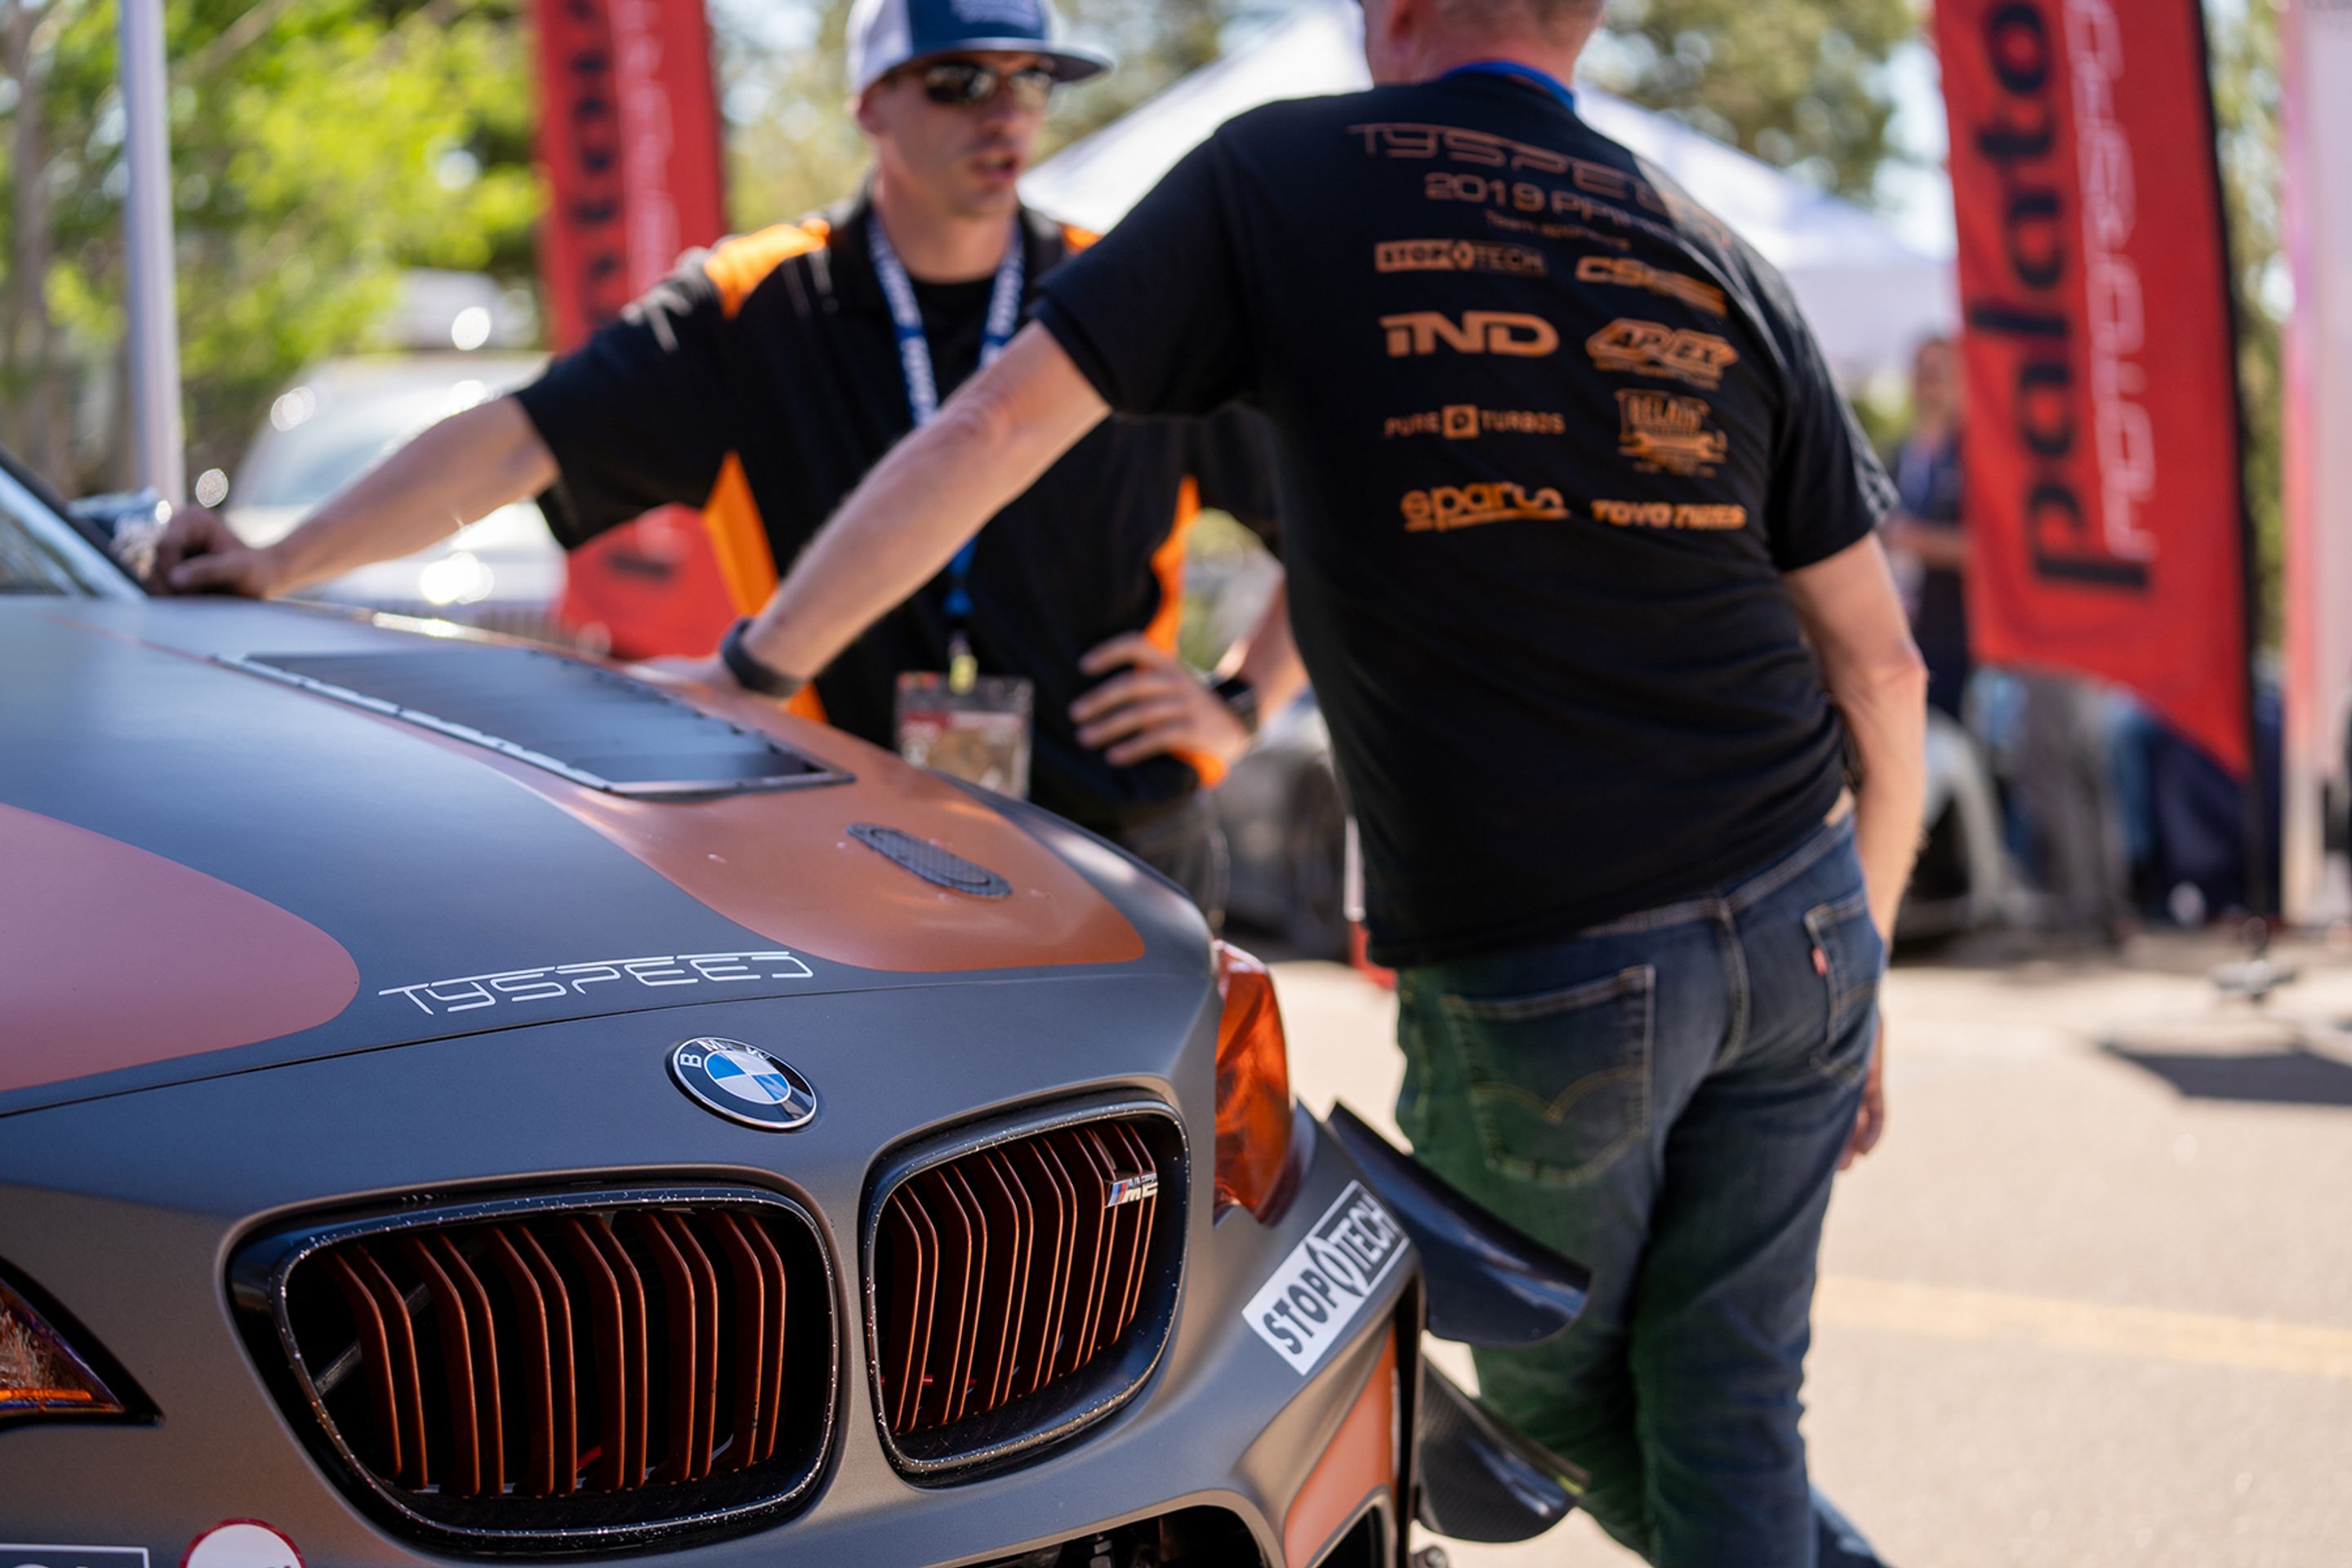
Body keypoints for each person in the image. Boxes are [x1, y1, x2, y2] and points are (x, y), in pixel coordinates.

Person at [680, 0, 1929, 1560]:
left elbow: (998, 422)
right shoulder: (1708, 242)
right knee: (1727, 1399)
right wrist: (1865, 962)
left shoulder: (1283, 174)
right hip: (1808, 906)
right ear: (1590, 20)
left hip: (1553, 945)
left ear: (1385, 15)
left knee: (1562, 1405)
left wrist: (751, 665)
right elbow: (1882, 670)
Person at [145, 0, 1303, 924]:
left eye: (1032, 79)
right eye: (960, 81)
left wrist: (1242, 704)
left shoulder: (1125, 296)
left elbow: (1331, 524)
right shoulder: (758, 306)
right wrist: (281, 558)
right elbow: (516, 438)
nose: (1004, 114)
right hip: (840, 838)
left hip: (1113, 839)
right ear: (871, 104)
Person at [1881, 335, 1969, 720]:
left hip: (1958, 642)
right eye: (1921, 371)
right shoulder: (1897, 454)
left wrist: (1916, 540)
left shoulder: (1972, 457)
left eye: (1939, 371)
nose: (1928, 382)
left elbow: (1995, 552)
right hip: (1899, 635)